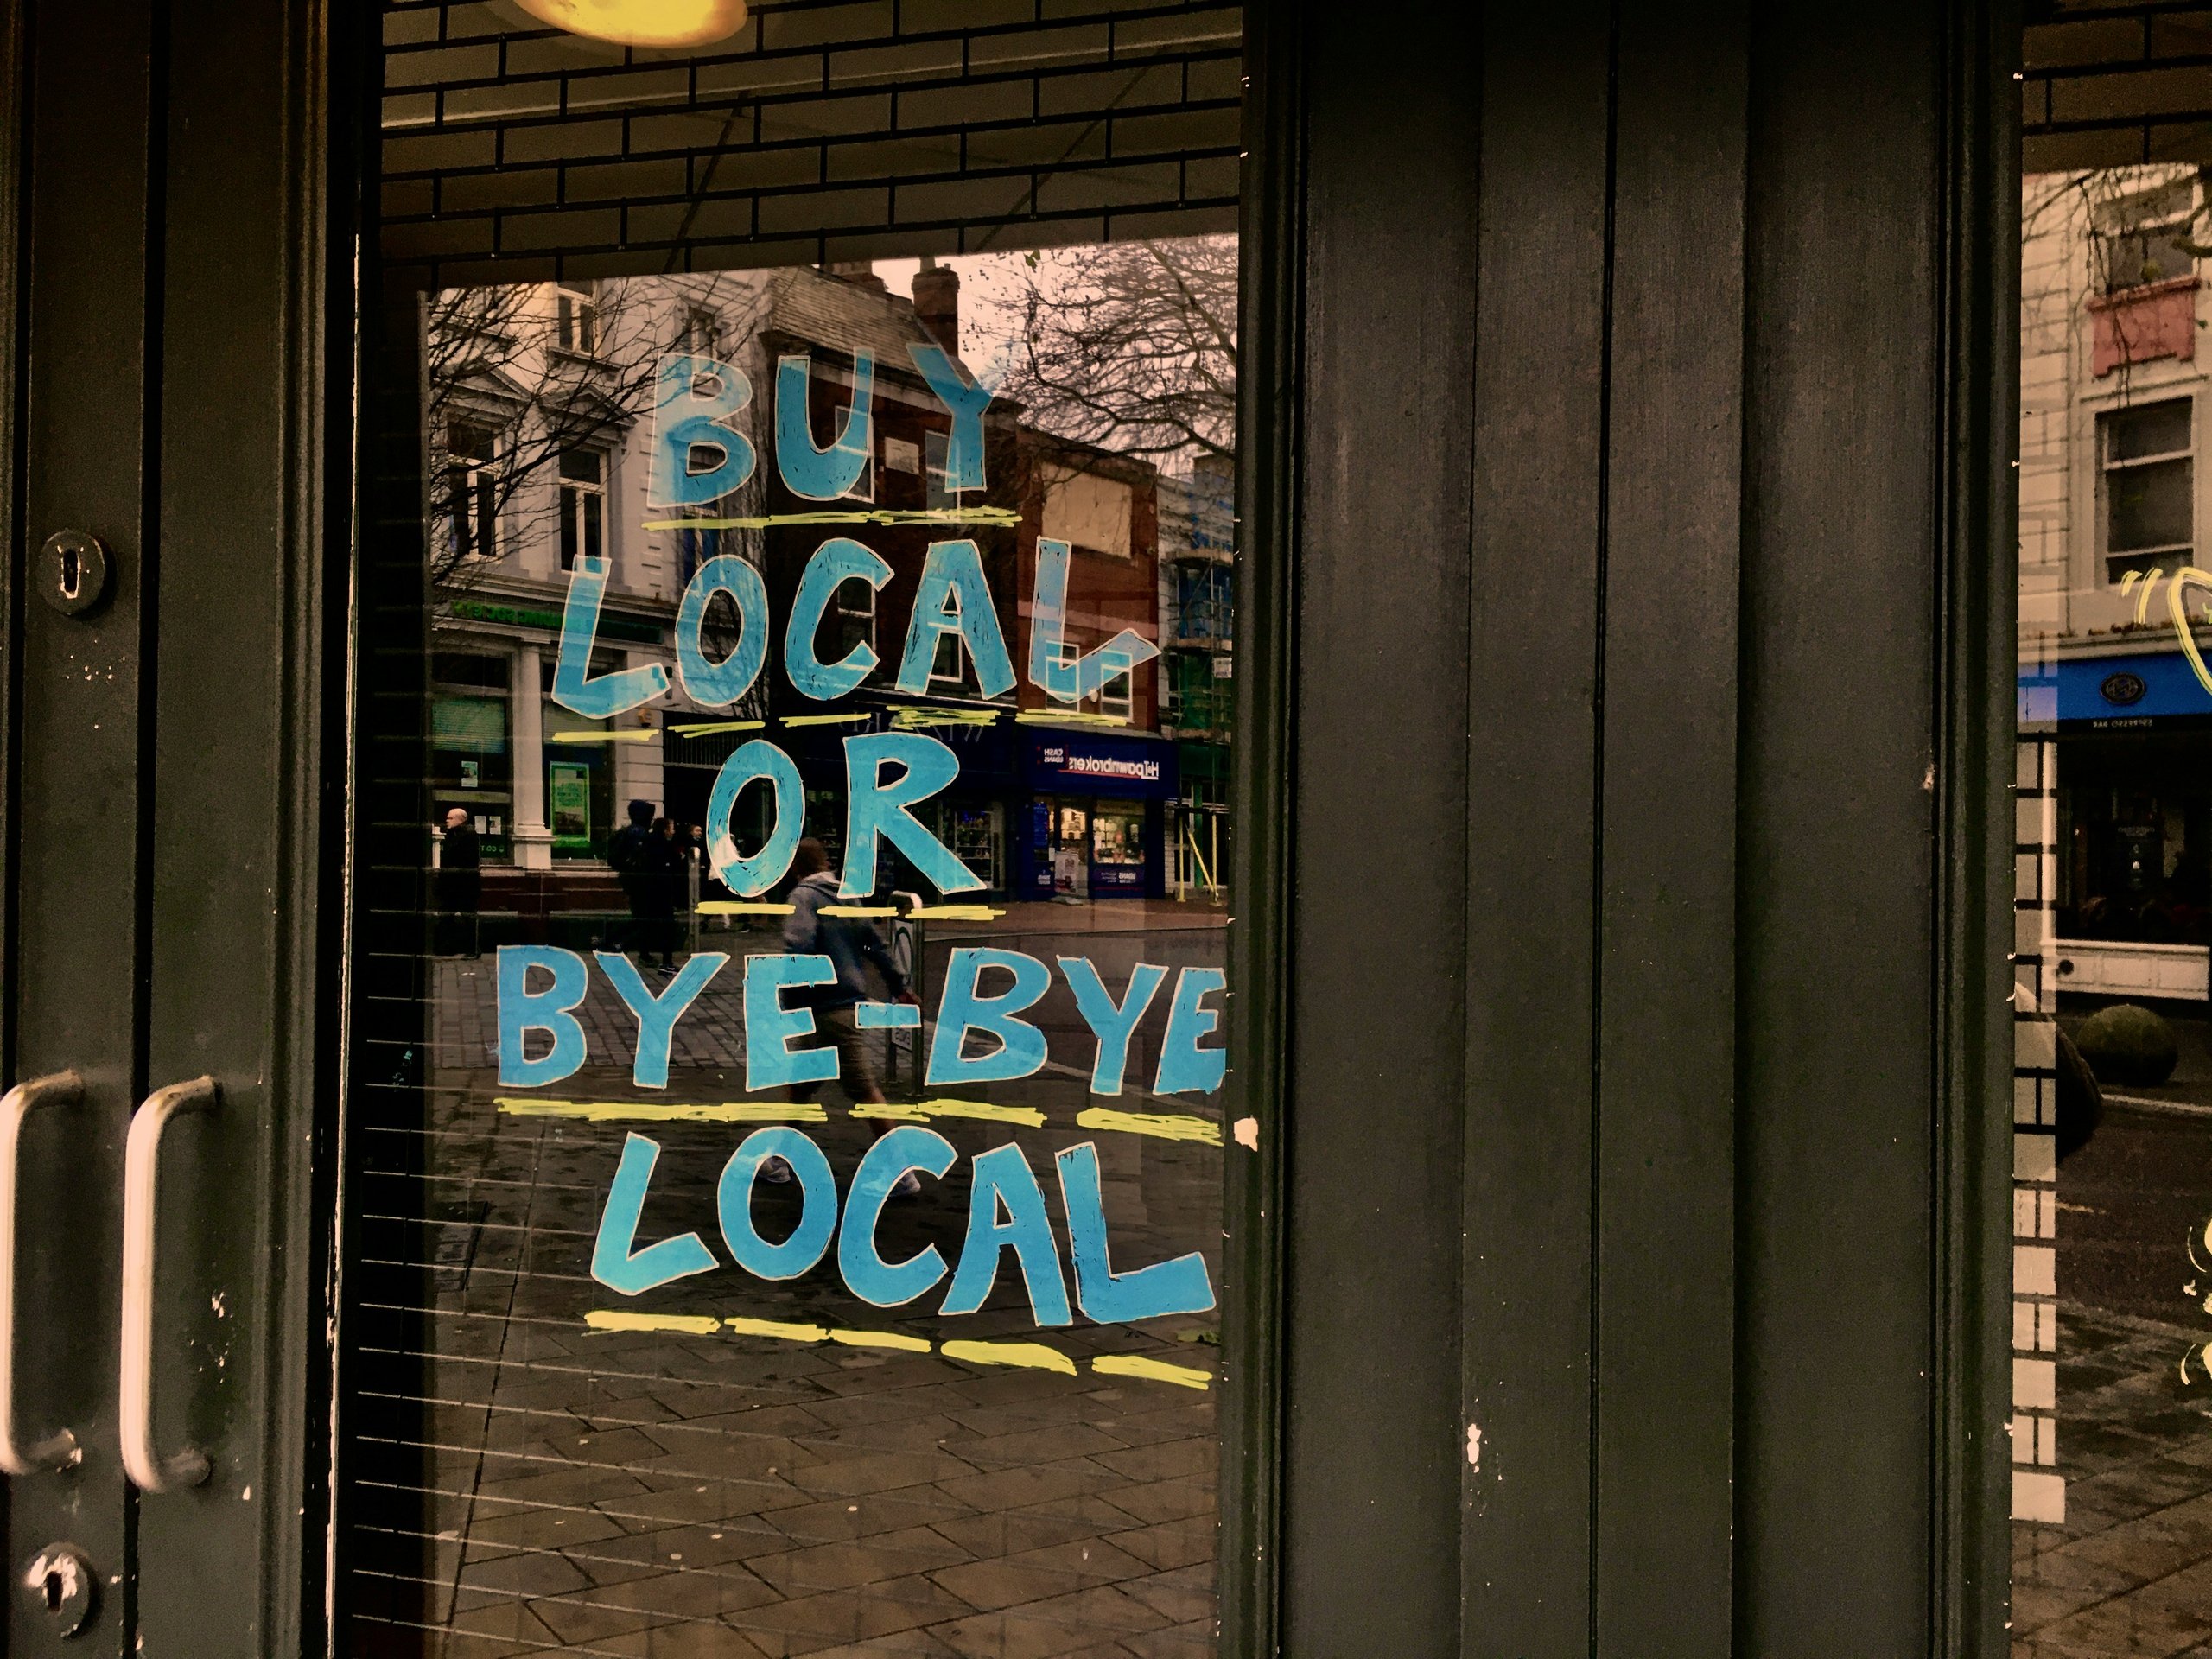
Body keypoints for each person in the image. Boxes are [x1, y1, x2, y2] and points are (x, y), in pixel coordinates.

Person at [774, 837, 922, 1193]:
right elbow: (875, 944)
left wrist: (788, 985)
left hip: (828, 1006)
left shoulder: (803, 897)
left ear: (796, 867)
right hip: (842, 1002)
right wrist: (899, 985)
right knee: (801, 1087)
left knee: (864, 1091)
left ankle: (902, 1172)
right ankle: (779, 1161)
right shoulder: (848, 895)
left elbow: (799, 943)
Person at [607, 800, 678, 974]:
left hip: (634, 883)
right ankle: (615, 944)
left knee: (641, 919)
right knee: (645, 921)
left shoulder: (629, 832)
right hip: (645, 885)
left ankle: (640, 953)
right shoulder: (640, 834)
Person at [431, 807, 480, 957]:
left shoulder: (469, 836)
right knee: (446, 916)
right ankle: (446, 947)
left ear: (461, 820)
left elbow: (468, 861)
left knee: (467, 917)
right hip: (451, 884)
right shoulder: (451, 835)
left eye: (450, 818)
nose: (447, 820)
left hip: (464, 884)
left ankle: (472, 949)